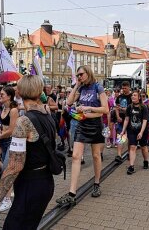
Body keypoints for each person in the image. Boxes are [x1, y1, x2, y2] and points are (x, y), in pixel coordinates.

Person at [0, 75, 56, 230]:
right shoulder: (47, 114)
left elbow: (14, 166)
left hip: (30, 185)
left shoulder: (23, 122)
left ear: (19, 92)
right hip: (45, 182)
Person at [56, 65, 109, 206]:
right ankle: (72, 193)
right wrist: (76, 86)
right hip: (82, 125)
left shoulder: (98, 88)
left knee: (96, 155)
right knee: (75, 156)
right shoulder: (81, 88)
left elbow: (105, 109)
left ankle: (97, 183)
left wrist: (88, 108)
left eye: (81, 74)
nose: (79, 77)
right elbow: (68, 102)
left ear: (88, 73)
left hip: (95, 126)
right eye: (77, 75)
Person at [0, 86, 19, 212]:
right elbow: (4, 124)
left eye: (2, 94)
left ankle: (7, 200)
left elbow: (11, 130)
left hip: (10, 141)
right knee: (7, 168)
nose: (0, 96)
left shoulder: (14, 110)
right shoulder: (4, 108)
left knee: (6, 169)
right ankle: (12, 190)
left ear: (9, 96)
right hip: (3, 141)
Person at [120, 90, 149, 174]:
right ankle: (131, 166)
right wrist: (123, 131)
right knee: (132, 147)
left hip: (142, 130)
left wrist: (141, 132)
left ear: (139, 97)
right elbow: (126, 119)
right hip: (132, 130)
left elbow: (145, 121)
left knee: (143, 147)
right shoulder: (129, 107)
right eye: (132, 95)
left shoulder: (144, 107)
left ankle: (146, 161)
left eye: (135, 95)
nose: (133, 96)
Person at [114, 81, 132, 161]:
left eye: (125, 88)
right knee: (120, 136)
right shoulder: (119, 97)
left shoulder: (132, 97)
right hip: (121, 119)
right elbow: (116, 108)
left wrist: (124, 109)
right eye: (123, 88)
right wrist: (117, 116)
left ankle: (129, 153)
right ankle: (118, 155)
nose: (124, 90)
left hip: (130, 120)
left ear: (129, 87)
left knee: (130, 138)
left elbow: (131, 109)